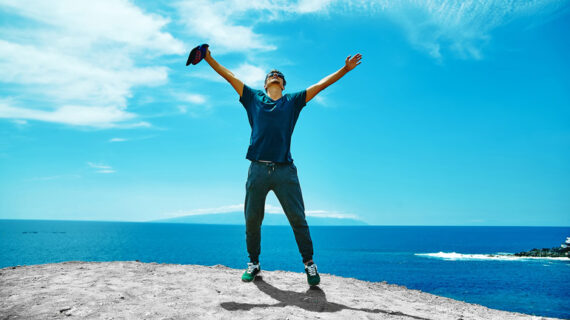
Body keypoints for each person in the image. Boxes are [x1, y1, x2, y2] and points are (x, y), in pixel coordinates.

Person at [203, 47, 362, 286]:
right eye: (270, 74)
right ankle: (254, 264)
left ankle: (309, 265)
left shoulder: (293, 101)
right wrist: (208, 58)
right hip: (257, 169)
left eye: (278, 74)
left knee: (298, 218)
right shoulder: (252, 98)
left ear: (283, 84)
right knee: (252, 219)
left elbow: (321, 85)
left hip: (285, 171)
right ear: (266, 84)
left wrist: (345, 70)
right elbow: (230, 76)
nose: (274, 74)